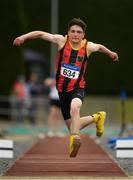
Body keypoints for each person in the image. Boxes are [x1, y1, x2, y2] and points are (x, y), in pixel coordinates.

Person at [13, 18, 119, 157]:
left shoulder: (88, 46)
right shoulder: (61, 41)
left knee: (75, 108)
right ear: (68, 33)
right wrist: (23, 37)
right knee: (74, 125)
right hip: (62, 91)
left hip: (77, 88)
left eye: (79, 32)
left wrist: (110, 53)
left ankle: (74, 139)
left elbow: (99, 47)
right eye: (73, 31)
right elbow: (40, 34)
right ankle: (97, 117)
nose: (75, 34)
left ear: (83, 35)